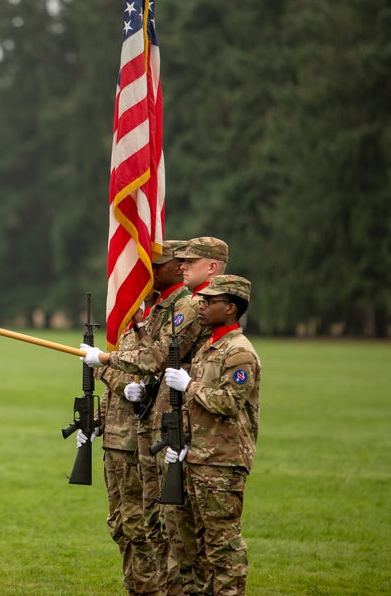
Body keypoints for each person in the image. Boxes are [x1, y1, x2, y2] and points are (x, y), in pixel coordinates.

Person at [81, 240, 191, 596]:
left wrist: (103, 366)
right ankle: (137, 588)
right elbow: (123, 378)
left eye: (155, 266)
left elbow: (147, 371)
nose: (147, 273)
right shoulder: (135, 322)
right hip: (116, 434)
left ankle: (149, 589)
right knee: (121, 525)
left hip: (139, 436)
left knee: (142, 525)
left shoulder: (172, 316)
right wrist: (97, 421)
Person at [162, 275, 260, 596]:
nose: (201, 306)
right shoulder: (210, 347)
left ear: (230, 308)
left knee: (222, 546)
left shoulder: (239, 352)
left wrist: (189, 385)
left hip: (222, 463)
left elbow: (229, 403)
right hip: (198, 457)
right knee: (199, 544)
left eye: (210, 302)